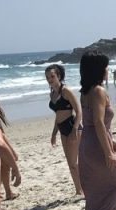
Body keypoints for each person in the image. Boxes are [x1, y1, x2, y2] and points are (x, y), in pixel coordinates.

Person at [79, 50, 116, 210]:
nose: (108, 70)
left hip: (88, 143)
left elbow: (93, 123)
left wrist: (111, 139)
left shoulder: (86, 92)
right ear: (99, 69)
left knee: (99, 186)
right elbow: (99, 122)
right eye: (106, 67)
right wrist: (108, 151)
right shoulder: (99, 91)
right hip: (97, 145)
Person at [45, 64, 84, 196]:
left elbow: (79, 111)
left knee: (74, 162)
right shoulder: (52, 94)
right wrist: (54, 133)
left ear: (59, 76)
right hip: (62, 129)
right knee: (70, 163)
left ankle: (83, 189)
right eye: (47, 77)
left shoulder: (66, 91)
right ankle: (79, 190)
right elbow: (58, 115)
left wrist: (74, 129)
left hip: (73, 127)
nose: (50, 79)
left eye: (52, 76)